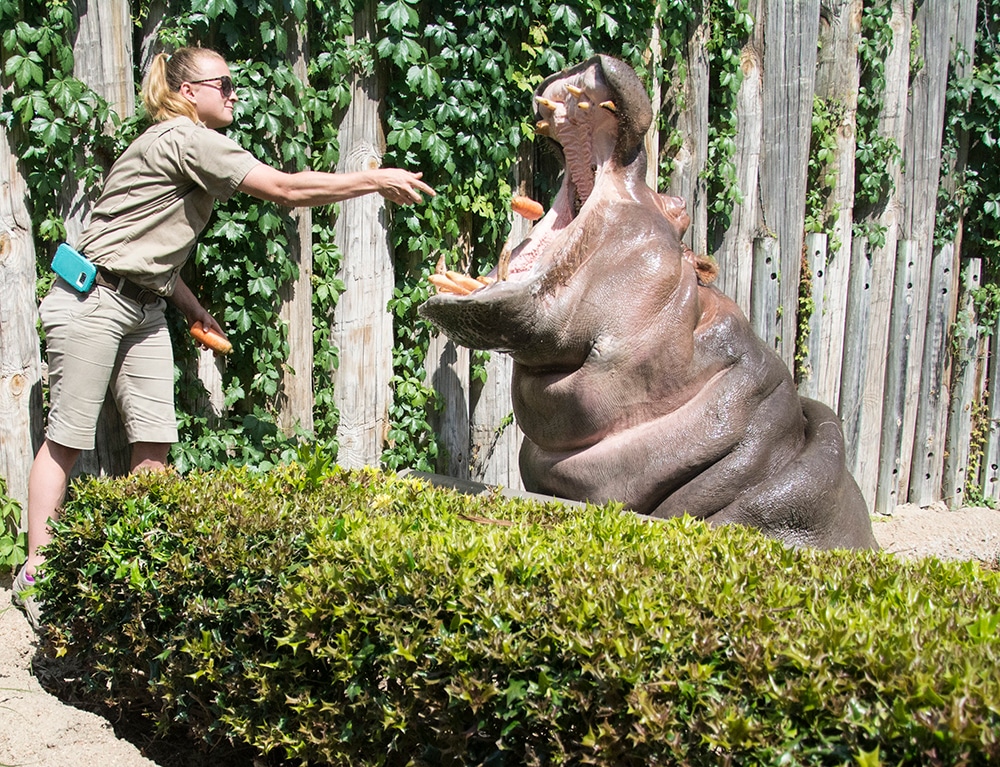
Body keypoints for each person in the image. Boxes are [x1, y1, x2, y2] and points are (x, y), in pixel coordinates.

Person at [12, 46, 435, 628]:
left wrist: (194, 306)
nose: (235, 93)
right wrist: (369, 179)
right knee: (67, 439)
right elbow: (284, 190)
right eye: (224, 83)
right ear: (189, 92)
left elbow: (146, 247)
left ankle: (137, 566)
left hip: (143, 302)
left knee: (155, 441)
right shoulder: (187, 139)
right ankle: (37, 575)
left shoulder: (183, 142)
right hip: (92, 299)